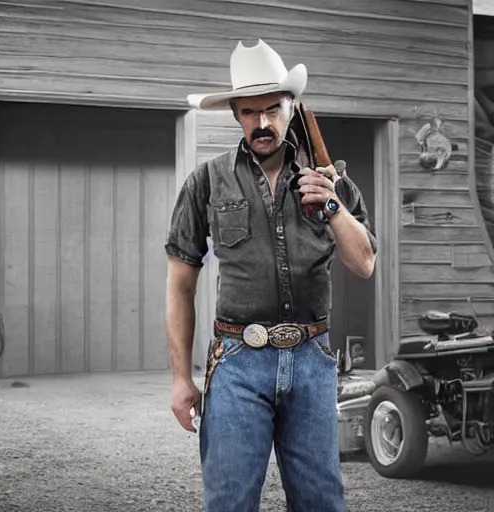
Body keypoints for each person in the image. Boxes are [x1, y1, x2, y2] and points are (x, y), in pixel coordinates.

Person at [164, 39, 377, 512]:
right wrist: (181, 379)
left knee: (322, 502)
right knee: (230, 503)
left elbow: (364, 263)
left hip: (312, 362)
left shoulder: (332, 183)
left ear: (291, 106)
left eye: (272, 109)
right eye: (248, 112)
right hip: (237, 362)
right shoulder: (206, 182)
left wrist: (332, 205)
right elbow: (180, 284)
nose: (261, 123)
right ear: (236, 114)